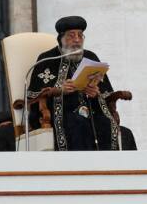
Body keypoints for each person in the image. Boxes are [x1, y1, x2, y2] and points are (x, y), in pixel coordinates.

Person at [28, 16, 117, 151]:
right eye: (71, 36)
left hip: (90, 112)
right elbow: (33, 95)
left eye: (80, 36)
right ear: (61, 39)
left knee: (112, 126)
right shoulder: (46, 59)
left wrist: (95, 93)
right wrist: (59, 89)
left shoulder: (90, 57)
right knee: (79, 124)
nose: (77, 40)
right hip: (60, 114)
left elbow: (106, 91)